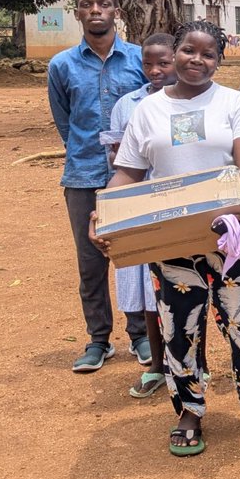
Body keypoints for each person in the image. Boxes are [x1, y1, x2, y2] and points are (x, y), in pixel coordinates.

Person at [91, 20, 240, 456]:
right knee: (180, 328)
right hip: (172, 242)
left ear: (219, 61)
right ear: (174, 52)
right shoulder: (148, 110)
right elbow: (129, 171)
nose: (197, 60)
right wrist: (102, 213)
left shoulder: (234, 103)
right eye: (189, 51)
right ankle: (190, 409)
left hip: (233, 237)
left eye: (208, 54)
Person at [48, 0, 147, 373]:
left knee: (136, 255)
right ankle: (98, 340)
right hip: (83, 175)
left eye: (102, 3)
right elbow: (64, 122)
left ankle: (140, 333)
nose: (95, 10)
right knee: (90, 262)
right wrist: (86, 153)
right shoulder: (62, 65)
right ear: (77, 12)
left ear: (116, 11)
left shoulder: (141, 60)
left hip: (135, 177)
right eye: (86, 4)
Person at [107, 32, 177, 397]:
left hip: (175, 203)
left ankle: (196, 365)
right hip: (138, 201)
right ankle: (156, 364)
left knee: (181, 288)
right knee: (150, 288)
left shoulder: (186, 103)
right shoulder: (128, 105)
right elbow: (121, 163)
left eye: (163, 63)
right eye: (148, 64)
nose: (155, 70)